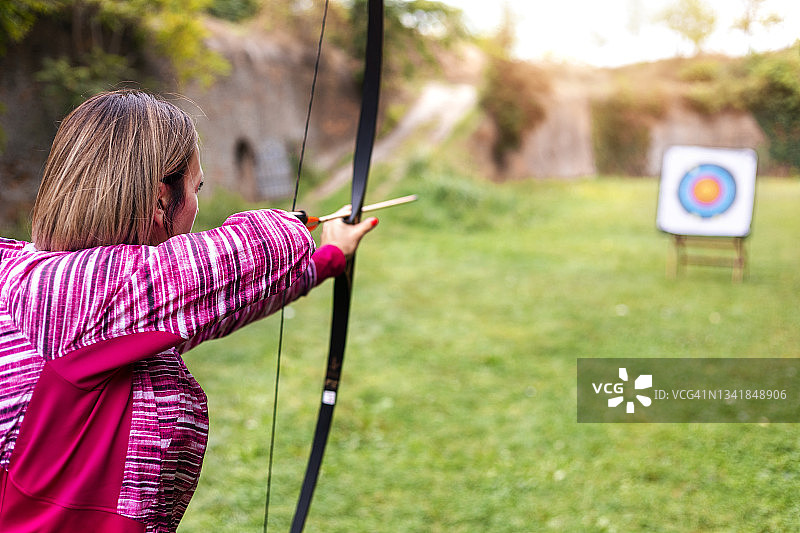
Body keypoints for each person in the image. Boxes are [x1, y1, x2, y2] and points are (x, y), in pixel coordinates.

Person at [0, 89, 377, 532]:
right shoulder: (62, 298)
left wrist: (328, 257)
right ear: (162, 197)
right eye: (196, 188)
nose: (197, 202)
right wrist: (301, 224)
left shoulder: (67, 297)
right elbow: (262, 249)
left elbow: (213, 306)